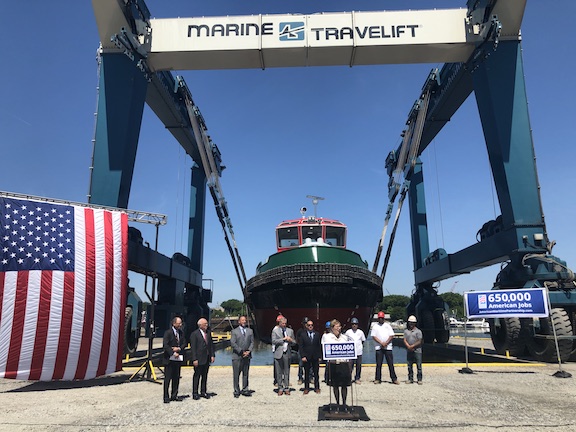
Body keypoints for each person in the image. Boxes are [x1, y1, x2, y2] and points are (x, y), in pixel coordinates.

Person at [322, 320, 352, 409]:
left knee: (344, 385)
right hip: (333, 364)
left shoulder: (345, 337)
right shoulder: (326, 337)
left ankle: (344, 403)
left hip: (343, 363)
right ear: (332, 328)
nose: (339, 328)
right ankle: (337, 403)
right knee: (335, 385)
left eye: (340, 326)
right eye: (337, 327)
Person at [190, 317, 215, 400]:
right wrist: (194, 359)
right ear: (200, 325)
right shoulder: (195, 334)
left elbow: (211, 345)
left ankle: (203, 391)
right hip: (198, 358)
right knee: (197, 376)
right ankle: (195, 393)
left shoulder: (208, 333)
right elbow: (193, 348)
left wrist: (212, 355)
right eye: (205, 324)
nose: (207, 325)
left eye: (207, 324)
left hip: (206, 358)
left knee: (205, 376)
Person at [162, 316, 186, 403]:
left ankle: (174, 395)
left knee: (176, 378)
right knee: (167, 379)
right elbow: (165, 345)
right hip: (169, 359)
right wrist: (172, 352)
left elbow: (184, 343)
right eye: (179, 323)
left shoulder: (181, 333)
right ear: (174, 323)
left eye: (181, 323)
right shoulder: (168, 333)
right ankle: (166, 397)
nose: (180, 325)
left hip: (178, 359)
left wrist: (179, 349)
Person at [371, 311, 399, 385]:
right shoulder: (375, 326)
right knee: (378, 364)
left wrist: (386, 343)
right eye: (379, 318)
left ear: (384, 318)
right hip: (378, 347)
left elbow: (391, 335)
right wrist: (381, 343)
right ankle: (377, 379)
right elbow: (374, 336)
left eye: (382, 318)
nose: (381, 319)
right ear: (378, 318)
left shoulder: (387, 325)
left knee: (390, 364)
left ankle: (394, 379)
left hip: (388, 347)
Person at [231, 315, 254, 397]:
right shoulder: (234, 331)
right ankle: (236, 390)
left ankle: (245, 389)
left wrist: (249, 351)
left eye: (245, 320)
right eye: (242, 320)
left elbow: (252, 342)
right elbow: (233, 343)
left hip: (247, 356)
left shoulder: (250, 331)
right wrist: (241, 351)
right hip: (237, 356)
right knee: (236, 374)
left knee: (245, 373)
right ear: (239, 321)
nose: (244, 321)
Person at [271, 316, 296, 395]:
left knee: (286, 371)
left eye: (285, 323)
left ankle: (286, 388)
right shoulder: (275, 331)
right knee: (278, 372)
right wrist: (283, 339)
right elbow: (273, 341)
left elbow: (295, 342)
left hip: (287, 353)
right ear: (279, 323)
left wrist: (290, 340)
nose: (284, 325)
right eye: (283, 323)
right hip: (278, 353)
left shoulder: (290, 331)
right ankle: (280, 387)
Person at [297, 319, 321, 394]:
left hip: (315, 356)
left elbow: (319, 346)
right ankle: (306, 388)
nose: (310, 326)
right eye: (309, 325)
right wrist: (303, 356)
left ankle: (317, 387)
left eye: (312, 325)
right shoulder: (303, 335)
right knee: (306, 373)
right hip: (306, 357)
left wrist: (320, 356)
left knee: (316, 373)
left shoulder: (317, 334)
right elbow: (301, 347)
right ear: (306, 326)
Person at [344, 317, 366, 383]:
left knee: (358, 366)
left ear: (357, 325)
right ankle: (348, 378)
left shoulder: (360, 332)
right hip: (351, 352)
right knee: (350, 366)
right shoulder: (348, 332)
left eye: (355, 324)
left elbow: (363, 340)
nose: (354, 325)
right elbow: (345, 341)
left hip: (359, 352)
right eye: (353, 324)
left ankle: (357, 378)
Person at [403, 315, 423, 384]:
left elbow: (419, 341)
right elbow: (405, 340)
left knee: (419, 366)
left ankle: (419, 379)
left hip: (417, 350)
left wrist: (412, 346)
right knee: (409, 365)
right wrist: (408, 346)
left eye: (412, 322)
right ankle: (410, 378)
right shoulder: (406, 331)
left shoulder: (418, 331)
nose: (411, 324)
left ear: (415, 323)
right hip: (409, 350)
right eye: (410, 322)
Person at [295, 317, 309, 385]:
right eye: (305, 323)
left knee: (310, 365)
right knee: (301, 365)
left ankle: (310, 377)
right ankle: (300, 378)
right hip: (301, 350)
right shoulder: (300, 331)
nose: (306, 325)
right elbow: (297, 340)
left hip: (309, 350)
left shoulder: (310, 331)